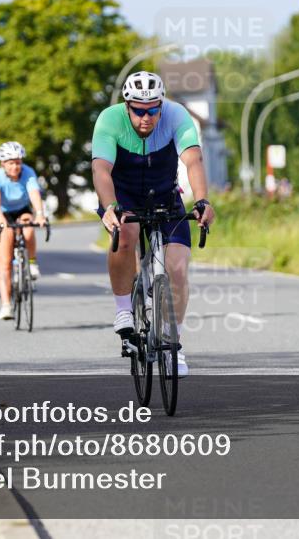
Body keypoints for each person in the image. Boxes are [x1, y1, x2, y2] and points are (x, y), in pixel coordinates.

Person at [91, 71, 216, 377]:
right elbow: (101, 169)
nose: (145, 117)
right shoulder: (109, 120)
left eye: (152, 110)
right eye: (137, 110)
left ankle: (174, 345)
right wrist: (110, 207)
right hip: (123, 196)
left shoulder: (176, 115)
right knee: (126, 233)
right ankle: (123, 310)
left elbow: (193, 160)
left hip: (165, 195)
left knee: (176, 268)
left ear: (162, 104)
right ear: (126, 105)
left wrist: (202, 201)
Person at [0, 141, 48, 320]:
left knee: (28, 225)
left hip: (21, 209)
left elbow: (34, 195)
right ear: (3, 164)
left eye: (18, 162)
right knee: (4, 262)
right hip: (1, 213)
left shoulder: (28, 172)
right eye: (11, 163)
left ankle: (32, 262)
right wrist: (2, 222)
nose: (15, 166)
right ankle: (6, 305)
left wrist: (40, 215)